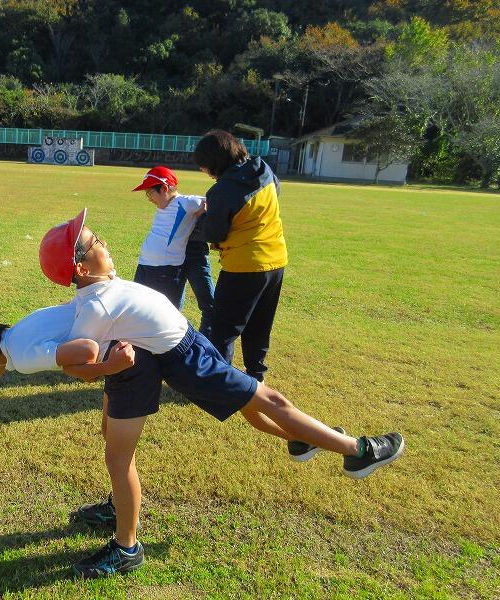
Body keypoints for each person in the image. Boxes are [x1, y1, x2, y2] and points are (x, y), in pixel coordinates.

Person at [38, 209, 405, 578]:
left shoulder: (101, 287)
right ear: (81, 267)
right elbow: (76, 363)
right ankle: (359, 451)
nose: (104, 243)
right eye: (95, 242)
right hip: (188, 362)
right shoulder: (94, 306)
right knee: (267, 402)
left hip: (191, 346)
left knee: (255, 408)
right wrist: (106, 367)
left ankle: (318, 442)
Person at [193, 130, 287, 382]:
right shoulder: (263, 169)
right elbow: (274, 194)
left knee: (224, 327)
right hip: (276, 260)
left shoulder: (222, 190)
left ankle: (219, 381)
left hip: (244, 266)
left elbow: (215, 232)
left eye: (204, 165)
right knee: (260, 323)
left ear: (213, 161)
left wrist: (202, 217)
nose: (204, 170)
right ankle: (256, 374)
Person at [0, 304, 135, 384]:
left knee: (117, 452)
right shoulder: (20, 329)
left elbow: (88, 349)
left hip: (129, 341)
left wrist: (102, 368)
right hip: (124, 320)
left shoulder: (22, 358)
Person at [131, 166, 214, 336]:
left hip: (166, 270)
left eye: (150, 193)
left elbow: (216, 202)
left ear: (164, 188)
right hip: (145, 265)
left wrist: (202, 214)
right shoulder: (164, 205)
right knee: (140, 309)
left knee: (167, 316)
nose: (149, 199)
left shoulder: (187, 202)